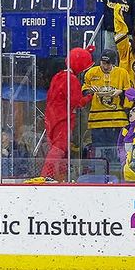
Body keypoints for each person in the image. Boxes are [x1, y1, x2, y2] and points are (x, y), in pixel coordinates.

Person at [39, 47, 93, 181]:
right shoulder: (71, 79)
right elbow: (77, 102)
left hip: (52, 117)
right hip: (63, 118)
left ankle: (59, 176)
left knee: (62, 150)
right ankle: (47, 175)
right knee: (59, 148)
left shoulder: (58, 76)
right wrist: (90, 96)